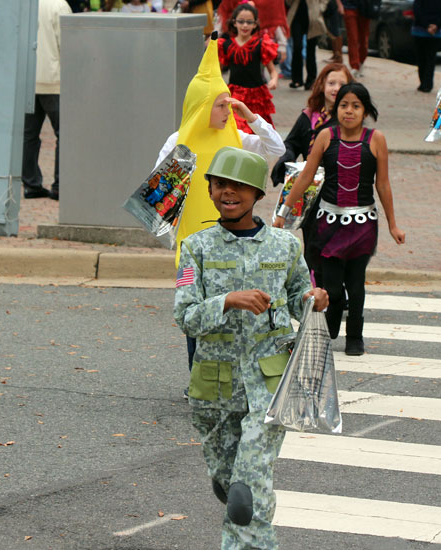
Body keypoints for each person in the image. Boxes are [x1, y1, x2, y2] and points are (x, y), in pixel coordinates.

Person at [174, 146, 328, 550]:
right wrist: (228, 300)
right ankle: (232, 486)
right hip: (214, 388)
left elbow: (297, 298)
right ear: (210, 190)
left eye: (239, 186)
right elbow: (185, 316)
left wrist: (313, 298)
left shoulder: (285, 245)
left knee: (247, 495)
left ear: (258, 193)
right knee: (234, 486)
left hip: (268, 384)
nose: (228, 192)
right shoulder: (195, 248)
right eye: (220, 184)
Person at [155, 38, 284, 398]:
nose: (227, 110)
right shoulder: (178, 141)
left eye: (229, 104)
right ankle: (199, 377)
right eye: (221, 104)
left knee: (226, 309)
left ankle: (227, 377)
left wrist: (251, 116)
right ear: (200, 107)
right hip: (189, 248)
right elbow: (161, 195)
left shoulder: (237, 138)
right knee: (192, 307)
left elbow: (277, 149)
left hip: (232, 243)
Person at [273, 82, 405, 355]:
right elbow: (306, 177)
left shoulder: (376, 139)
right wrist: (283, 212)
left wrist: (393, 224)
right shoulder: (325, 136)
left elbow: (383, 185)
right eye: (344, 105)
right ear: (336, 108)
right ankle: (331, 324)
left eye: (356, 106)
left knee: (356, 286)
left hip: (363, 225)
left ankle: (355, 335)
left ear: (365, 110)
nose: (349, 111)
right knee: (331, 285)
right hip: (328, 223)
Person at [270, 62, 352, 187]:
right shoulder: (309, 115)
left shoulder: (349, 121)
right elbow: (292, 142)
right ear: (322, 85)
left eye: (342, 85)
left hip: (336, 185)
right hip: (308, 183)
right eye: (331, 83)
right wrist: (287, 157)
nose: (336, 88)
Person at [21, 0, 71, 200]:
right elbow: (66, 44)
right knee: (64, 134)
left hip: (28, 78)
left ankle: (31, 183)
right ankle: (60, 184)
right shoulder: (59, 6)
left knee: (28, 135)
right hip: (54, 80)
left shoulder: (24, 5)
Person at [218, 3, 280, 132]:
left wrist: (274, 80)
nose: (245, 25)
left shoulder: (261, 44)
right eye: (241, 21)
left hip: (257, 96)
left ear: (255, 24)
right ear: (234, 23)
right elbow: (217, 70)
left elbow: (272, 71)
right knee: (237, 129)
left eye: (249, 22)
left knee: (257, 130)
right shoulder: (226, 45)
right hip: (235, 94)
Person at [217, 0, 290, 64]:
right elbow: (224, 13)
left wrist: (282, 46)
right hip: (237, 40)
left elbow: (277, 19)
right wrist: (214, 36)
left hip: (261, 41)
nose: (245, 25)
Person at [286, 0, 328, 89]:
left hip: (313, 16)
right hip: (296, 15)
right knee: (297, 47)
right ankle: (297, 79)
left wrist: (321, 8)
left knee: (311, 49)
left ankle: (311, 80)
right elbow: (288, 2)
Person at [411, 0, 441, 93]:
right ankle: (427, 84)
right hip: (435, 33)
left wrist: (427, 25)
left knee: (421, 58)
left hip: (419, 31)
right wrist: (436, 26)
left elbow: (417, 11)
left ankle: (424, 83)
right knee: (430, 59)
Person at [340, 0, 369, 78]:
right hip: (349, 6)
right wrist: (339, 4)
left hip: (365, 8)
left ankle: (361, 62)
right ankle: (354, 66)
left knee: (364, 39)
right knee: (353, 38)